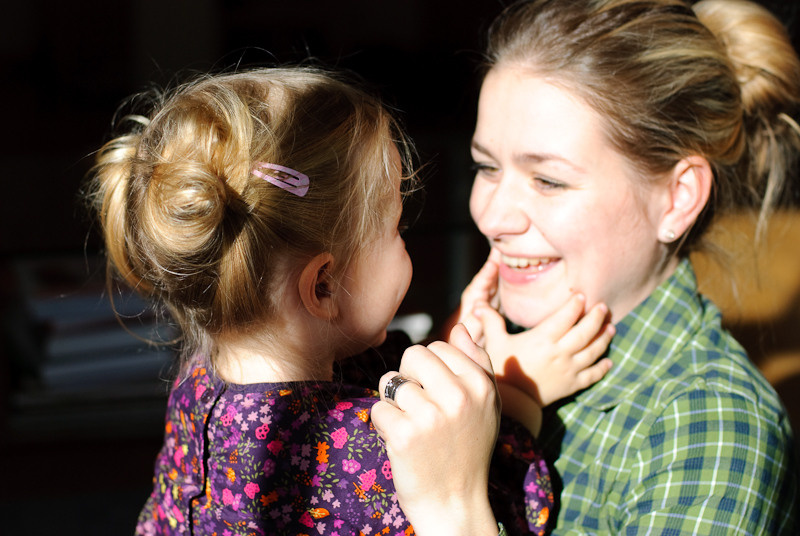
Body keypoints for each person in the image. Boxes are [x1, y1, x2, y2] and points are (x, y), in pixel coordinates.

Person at [87, 66, 614, 535]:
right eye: (393, 227)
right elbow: (503, 511)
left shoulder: (200, 379)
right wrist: (514, 393)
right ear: (322, 287)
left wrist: (450, 341)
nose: (404, 240)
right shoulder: (368, 461)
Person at [450, 0, 800, 533]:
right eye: (486, 167)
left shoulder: (708, 425)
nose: (492, 217)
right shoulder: (498, 343)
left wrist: (453, 500)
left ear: (678, 198)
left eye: (549, 181)